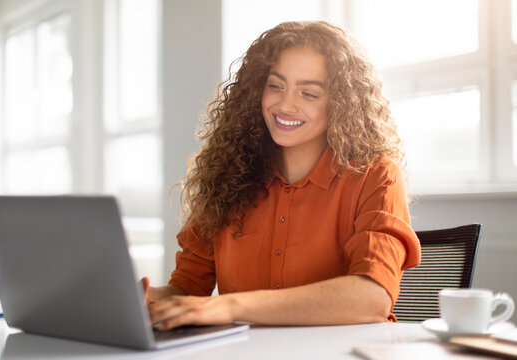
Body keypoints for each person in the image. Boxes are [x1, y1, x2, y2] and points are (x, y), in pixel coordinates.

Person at [141, 20, 421, 331]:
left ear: (341, 104)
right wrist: (138, 297)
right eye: (275, 86)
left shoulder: (377, 175)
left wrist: (231, 305)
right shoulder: (228, 175)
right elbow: (187, 287)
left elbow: (372, 298)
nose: (285, 104)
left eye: (309, 93)